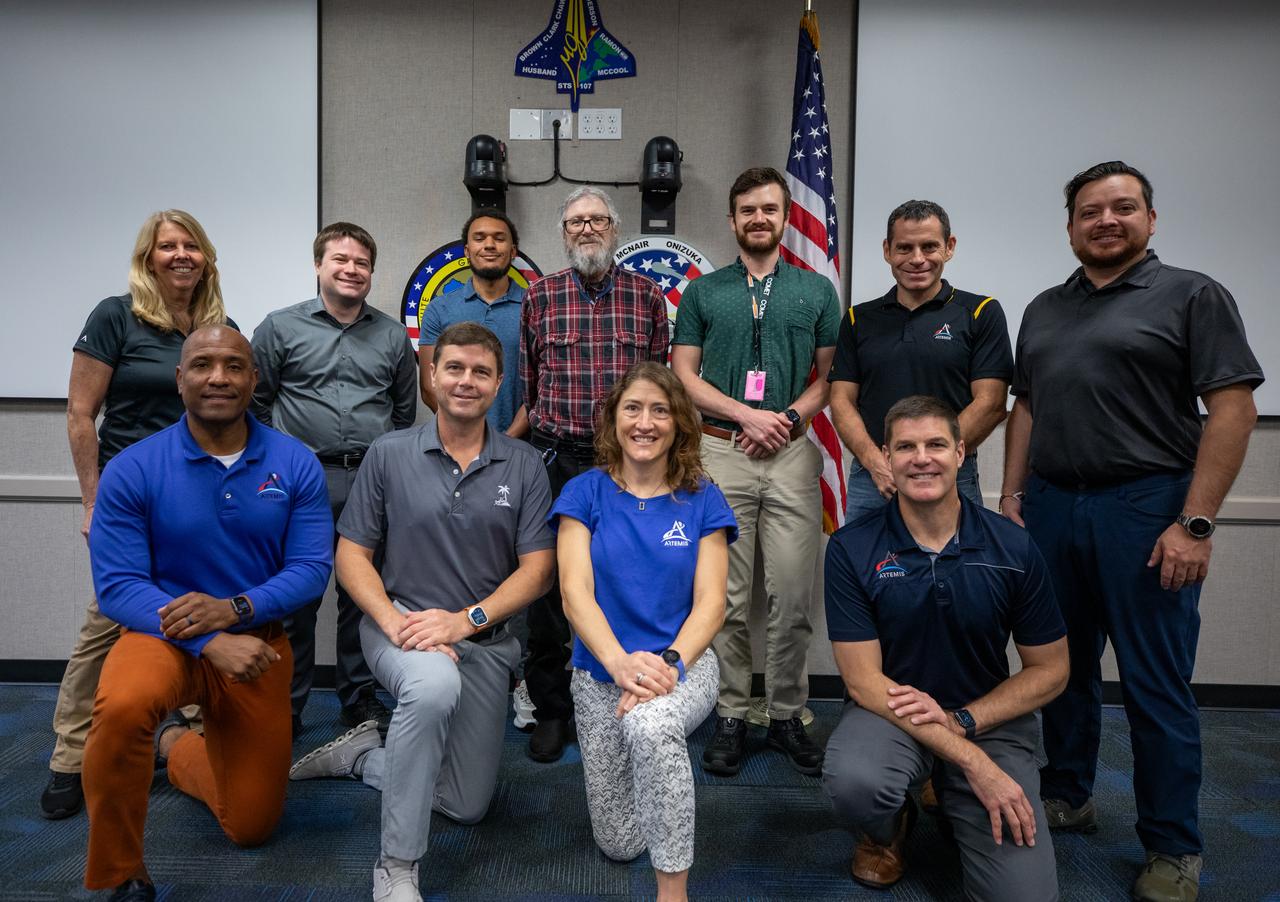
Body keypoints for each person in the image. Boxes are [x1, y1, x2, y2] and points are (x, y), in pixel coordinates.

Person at [1000, 161, 1263, 902]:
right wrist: (1013, 495)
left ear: (1152, 218)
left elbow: (1233, 410)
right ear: (1071, 225)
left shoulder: (1192, 295)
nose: (1105, 221)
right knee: (1059, 669)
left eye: (1122, 208)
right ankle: (1068, 793)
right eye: (1090, 211)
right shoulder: (1046, 307)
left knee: (1155, 684)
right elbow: (1027, 407)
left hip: (1148, 511)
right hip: (1053, 507)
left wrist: (1196, 521)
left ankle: (1173, 847)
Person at [288, 322, 555, 902]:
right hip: (403, 630)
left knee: (465, 804)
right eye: (453, 368)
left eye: (481, 372)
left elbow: (537, 571)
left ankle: (363, 757)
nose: (466, 381)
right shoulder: (388, 454)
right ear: (431, 377)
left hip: (484, 639)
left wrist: (465, 623)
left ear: (499, 383)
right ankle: (397, 866)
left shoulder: (524, 464)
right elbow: (352, 554)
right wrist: (394, 623)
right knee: (431, 688)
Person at [81, 326, 332, 902]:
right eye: (202, 365)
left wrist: (234, 610)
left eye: (233, 366)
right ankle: (120, 874)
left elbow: (312, 568)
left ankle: (175, 750)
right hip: (161, 634)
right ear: (179, 379)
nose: (218, 377)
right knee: (120, 709)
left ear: (254, 378)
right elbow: (118, 587)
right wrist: (205, 640)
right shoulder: (133, 468)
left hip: (256, 643)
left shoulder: (294, 463)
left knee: (250, 827)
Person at [823, 395, 1067, 898]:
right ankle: (891, 824)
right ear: (886, 458)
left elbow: (1052, 670)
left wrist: (963, 726)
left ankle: (958, 799)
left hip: (986, 718)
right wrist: (973, 763)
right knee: (855, 782)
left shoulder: (1013, 546)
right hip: (890, 714)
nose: (921, 458)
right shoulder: (852, 549)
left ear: (961, 453)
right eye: (906, 447)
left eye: (936, 444)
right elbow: (864, 682)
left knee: (1024, 897)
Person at [41, 209, 235, 821]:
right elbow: (80, 414)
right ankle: (70, 757)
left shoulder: (217, 326)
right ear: (149, 257)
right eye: (167, 246)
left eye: (191, 246)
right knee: (106, 623)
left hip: (202, 500)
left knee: (200, 610)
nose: (181, 255)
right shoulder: (115, 316)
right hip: (130, 498)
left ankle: (197, 740)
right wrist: (93, 499)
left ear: (205, 257)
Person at [670, 166, 840, 776]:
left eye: (769, 208)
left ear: (786, 215)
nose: (759, 218)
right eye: (747, 210)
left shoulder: (816, 291)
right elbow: (684, 376)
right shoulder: (704, 292)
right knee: (728, 596)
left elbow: (830, 378)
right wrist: (748, 415)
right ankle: (733, 711)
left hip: (791, 453)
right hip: (719, 452)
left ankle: (789, 710)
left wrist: (786, 419)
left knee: (792, 594)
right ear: (733, 220)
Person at [553, 362, 736, 902]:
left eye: (660, 410)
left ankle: (672, 891)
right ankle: (661, 780)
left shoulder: (702, 496)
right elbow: (574, 595)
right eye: (633, 408)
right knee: (618, 841)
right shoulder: (584, 492)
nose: (645, 422)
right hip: (599, 675)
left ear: (679, 423)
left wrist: (669, 666)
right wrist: (620, 664)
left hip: (682, 669)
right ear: (614, 419)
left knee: (652, 726)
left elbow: (711, 604)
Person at [519, 186, 670, 762]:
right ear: (564, 233)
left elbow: (661, 390)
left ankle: (619, 700)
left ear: (615, 228)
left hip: (625, 465)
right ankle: (553, 710)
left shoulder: (647, 297)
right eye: (576, 222)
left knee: (623, 582)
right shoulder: (540, 297)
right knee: (550, 589)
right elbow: (531, 386)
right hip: (557, 461)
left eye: (598, 220)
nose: (587, 229)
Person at [251, 222, 418, 736]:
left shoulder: (391, 335)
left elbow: (405, 413)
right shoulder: (279, 328)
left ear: (371, 273)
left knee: (361, 595)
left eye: (361, 263)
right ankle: (288, 702)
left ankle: (358, 697)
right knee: (298, 597)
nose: (351, 270)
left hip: (370, 480)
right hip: (300, 483)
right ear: (319, 265)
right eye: (340, 259)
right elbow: (254, 404)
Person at [829, 199, 1012, 518]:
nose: (917, 259)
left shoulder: (982, 312)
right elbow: (842, 402)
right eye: (904, 248)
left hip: (952, 475)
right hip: (874, 477)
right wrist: (878, 463)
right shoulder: (858, 319)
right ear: (887, 250)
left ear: (949, 247)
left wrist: (929, 458)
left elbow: (991, 403)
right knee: (867, 567)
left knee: (957, 568)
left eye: (929, 247)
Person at [420, 208, 528, 436]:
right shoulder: (439, 308)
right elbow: (429, 387)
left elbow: (539, 390)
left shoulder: (534, 306)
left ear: (513, 251)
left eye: (499, 238)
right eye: (479, 238)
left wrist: (506, 441)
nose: (489, 245)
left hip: (519, 446)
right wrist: (464, 434)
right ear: (468, 252)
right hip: (454, 443)